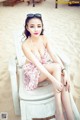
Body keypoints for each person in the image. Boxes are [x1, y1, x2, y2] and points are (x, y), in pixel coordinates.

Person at [22, 13, 74, 120]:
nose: (36, 29)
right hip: (33, 73)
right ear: (27, 27)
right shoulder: (25, 45)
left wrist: (66, 72)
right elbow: (38, 65)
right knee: (56, 68)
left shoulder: (44, 38)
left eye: (39, 26)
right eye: (32, 26)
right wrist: (53, 80)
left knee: (64, 79)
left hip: (45, 68)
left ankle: (71, 116)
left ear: (42, 26)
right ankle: (58, 111)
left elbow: (53, 55)